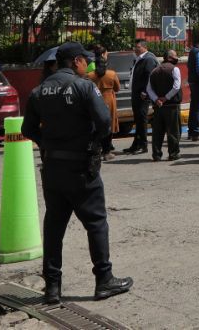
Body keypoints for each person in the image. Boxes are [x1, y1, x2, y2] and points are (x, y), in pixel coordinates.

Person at [22, 42, 132, 305]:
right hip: (82, 167)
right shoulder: (84, 87)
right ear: (76, 62)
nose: (87, 65)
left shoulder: (39, 91)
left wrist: (48, 144)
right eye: (84, 60)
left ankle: (52, 288)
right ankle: (104, 280)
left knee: (54, 226)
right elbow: (105, 122)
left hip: (53, 168)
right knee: (96, 223)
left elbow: (28, 129)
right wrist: (92, 141)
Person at [148, 50, 183, 161]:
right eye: (175, 56)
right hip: (172, 105)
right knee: (173, 131)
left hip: (158, 106)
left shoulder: (154, 71)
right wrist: (166, 97)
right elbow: (176, 86)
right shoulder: (175, 69)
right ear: (170, 57)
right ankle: (173, 153)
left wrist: (156, 99)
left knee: (157, 131)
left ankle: (156, 154)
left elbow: (149, 89)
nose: (177, 58)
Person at [125, 39, 158, 155]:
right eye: (135, 47)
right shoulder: (139, 59)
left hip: (143, 95)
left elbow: (150, 76)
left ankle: (143, 145)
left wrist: (145, 91)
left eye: (138, 47)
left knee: (142, 119)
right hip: (136, 93)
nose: (135, 49)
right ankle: (136, 144)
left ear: (144, 47)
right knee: (138, 120)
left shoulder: (148, 59)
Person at [92, 57, 121, 161]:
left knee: (96, 126)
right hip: (109, 101)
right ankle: (107, 152)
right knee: (109, 126)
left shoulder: (90, 75)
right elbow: (117, 88)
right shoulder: (112, 74)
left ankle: (97, 150)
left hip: (95, 101)